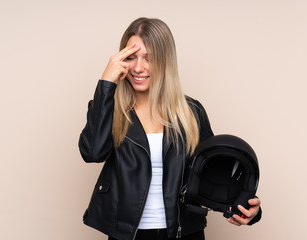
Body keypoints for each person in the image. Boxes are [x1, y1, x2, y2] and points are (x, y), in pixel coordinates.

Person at [79, 17, 261, 240]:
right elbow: (92, 153)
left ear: (166, 61)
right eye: (131, 57)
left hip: (184, 232)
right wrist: (107, 82)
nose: (138, 67)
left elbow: (213, 173)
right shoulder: (108, 108)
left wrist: (247, 208)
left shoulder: (191, 112)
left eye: (149, 58)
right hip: (127, 235)